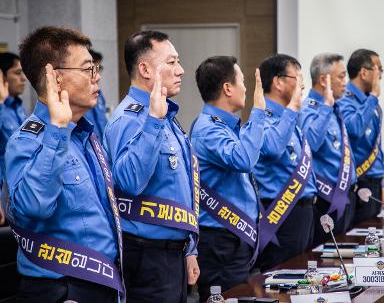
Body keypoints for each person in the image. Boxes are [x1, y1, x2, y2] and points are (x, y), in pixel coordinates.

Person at [3, 26, 123, 302]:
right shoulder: (28, 140)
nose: (97, 77)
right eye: (88, 69)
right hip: (63, 286)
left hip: (101, 280)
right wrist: (57, 129)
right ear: (55, 78)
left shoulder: (83, 133)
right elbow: (34, 207)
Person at [104, 30, 199, 303]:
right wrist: (154, 122)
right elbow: (129, 181)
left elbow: (179, 187)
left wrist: (189, 248)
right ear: (145, 69)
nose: (180, 70)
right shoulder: (130, 118)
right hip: (148, 256)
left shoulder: (164, 113)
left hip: (173, 253)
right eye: (171, 62)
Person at [190, 56, 266, 301]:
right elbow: (243, 159)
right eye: (242, 81)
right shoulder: (208, 129)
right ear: (227, 88)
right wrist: (259, 112)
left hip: (233, 237)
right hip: (219, 241)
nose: (246, 88)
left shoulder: (225, 125)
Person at [253, 53, 316, 272]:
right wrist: (292, 110)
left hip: (303, 212)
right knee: (280, 281)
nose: (303, 84)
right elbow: (272, 148)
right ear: (278, 82)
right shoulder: (264, 118)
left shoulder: (290, 119)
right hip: (280, 214)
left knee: (300, 280)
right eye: (297, 78)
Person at [299, 53, 357, 247]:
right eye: (341, 77)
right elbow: (310, 143)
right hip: (327, 199)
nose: (345, 83)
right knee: (328, 261)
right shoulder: (309, 109)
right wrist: (326, 107)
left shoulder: (335, 108)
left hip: (347, 195)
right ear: (324, 80)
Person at [337, 49, 384, 224]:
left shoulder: (369, 101)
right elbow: (355, 129)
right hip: (358, 182)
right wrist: (373, 97)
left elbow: (375, 145)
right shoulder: (345, 100)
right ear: (364, 72)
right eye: (378, 69)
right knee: (359, 242)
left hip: (373, 180)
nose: (381, 75)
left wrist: (381, 183)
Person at [0, 52, 28, 190]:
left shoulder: (19, 106)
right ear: (2, 76)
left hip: (21, 185)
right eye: (17, 73)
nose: (23, 78)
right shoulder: (1, 108)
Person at [84, 49, 107, 142]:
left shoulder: (99, 94)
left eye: (99, 69)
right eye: (92, 69)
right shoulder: (78, 97)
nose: (97, 76)